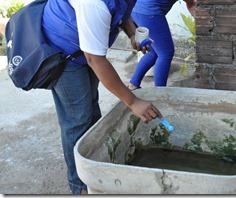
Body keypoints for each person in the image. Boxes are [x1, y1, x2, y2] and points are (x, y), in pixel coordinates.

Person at [41, 0, 163, 194]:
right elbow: (95, 59)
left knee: (91, 109)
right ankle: (79, 186)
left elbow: (123, 13)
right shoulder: (94, 3)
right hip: (62, 51)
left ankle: (96, 168)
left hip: (82, 47)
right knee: (77, 120)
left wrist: (132, 34)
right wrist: (133, 101)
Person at [127, 0, 196, 90]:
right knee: (165, 53)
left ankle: (133, 85)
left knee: (154, 52)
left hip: (136, 10)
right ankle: (160, 93)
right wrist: (190, 3)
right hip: (149, 12)